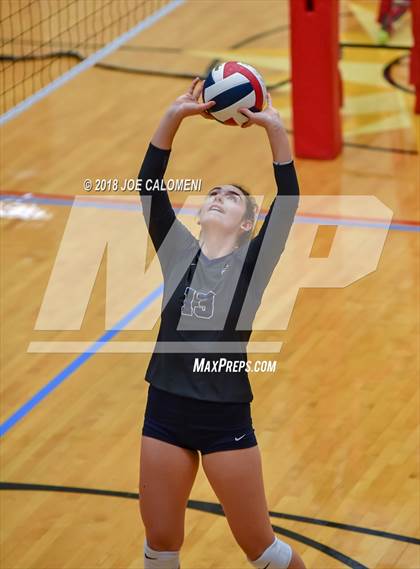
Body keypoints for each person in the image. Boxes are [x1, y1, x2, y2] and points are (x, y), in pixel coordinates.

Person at [137, 77, 305, 569]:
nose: (217, 197)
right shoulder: (177, 253)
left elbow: (288, 199)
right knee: (161, 544)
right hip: (164, 409)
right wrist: (175, 115)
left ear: (247, 223)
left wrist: (274, 129)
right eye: (213, 193)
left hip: (223, 418)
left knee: (262, 550)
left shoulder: (252, 264)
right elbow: (150, 184)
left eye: (231, 198)